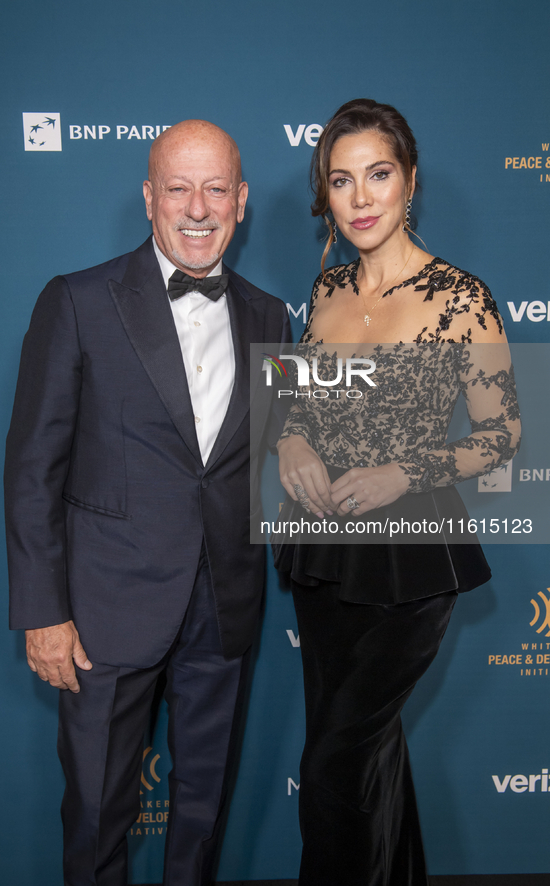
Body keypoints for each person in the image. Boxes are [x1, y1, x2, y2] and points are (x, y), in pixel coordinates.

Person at [4, 119, 289, 886]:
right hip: (103, 610)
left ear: (242, 201)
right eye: (177, 188)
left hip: (225, 602)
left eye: (216, 189)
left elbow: (279, 465)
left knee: (202, 813)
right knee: (96, 814)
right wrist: (41, 610)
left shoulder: (269, 315)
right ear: (148, 198)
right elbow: (33, 467)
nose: (197, 208)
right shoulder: (77, 300)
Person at [275, 99, 520, 886]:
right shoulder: (325, 289)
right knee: (365, 757)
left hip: (412, 560)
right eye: (341, 181)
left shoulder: (460, 297)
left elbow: (501, 435)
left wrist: (402, 472)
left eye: (377, 175)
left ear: (408, 181)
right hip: (326, 549)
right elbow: (295, 398)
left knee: (334, 766)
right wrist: (289, 437)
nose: (361, 197)